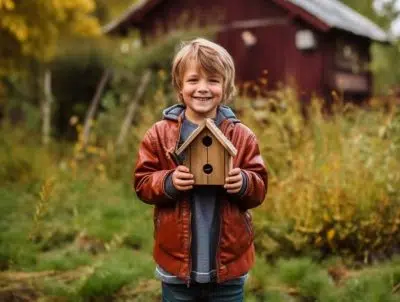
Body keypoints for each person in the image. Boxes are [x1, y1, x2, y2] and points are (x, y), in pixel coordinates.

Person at [133, 38, 267, 302]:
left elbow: (259, 187)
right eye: (193, 80)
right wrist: (168, 182)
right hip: (177, 269)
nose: (203, 88)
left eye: (213, 80)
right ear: (180, 87)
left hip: (228, 269)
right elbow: (142, 182)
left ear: (225, 87)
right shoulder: (160, 135)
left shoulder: (242, 136)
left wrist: (243, 182)